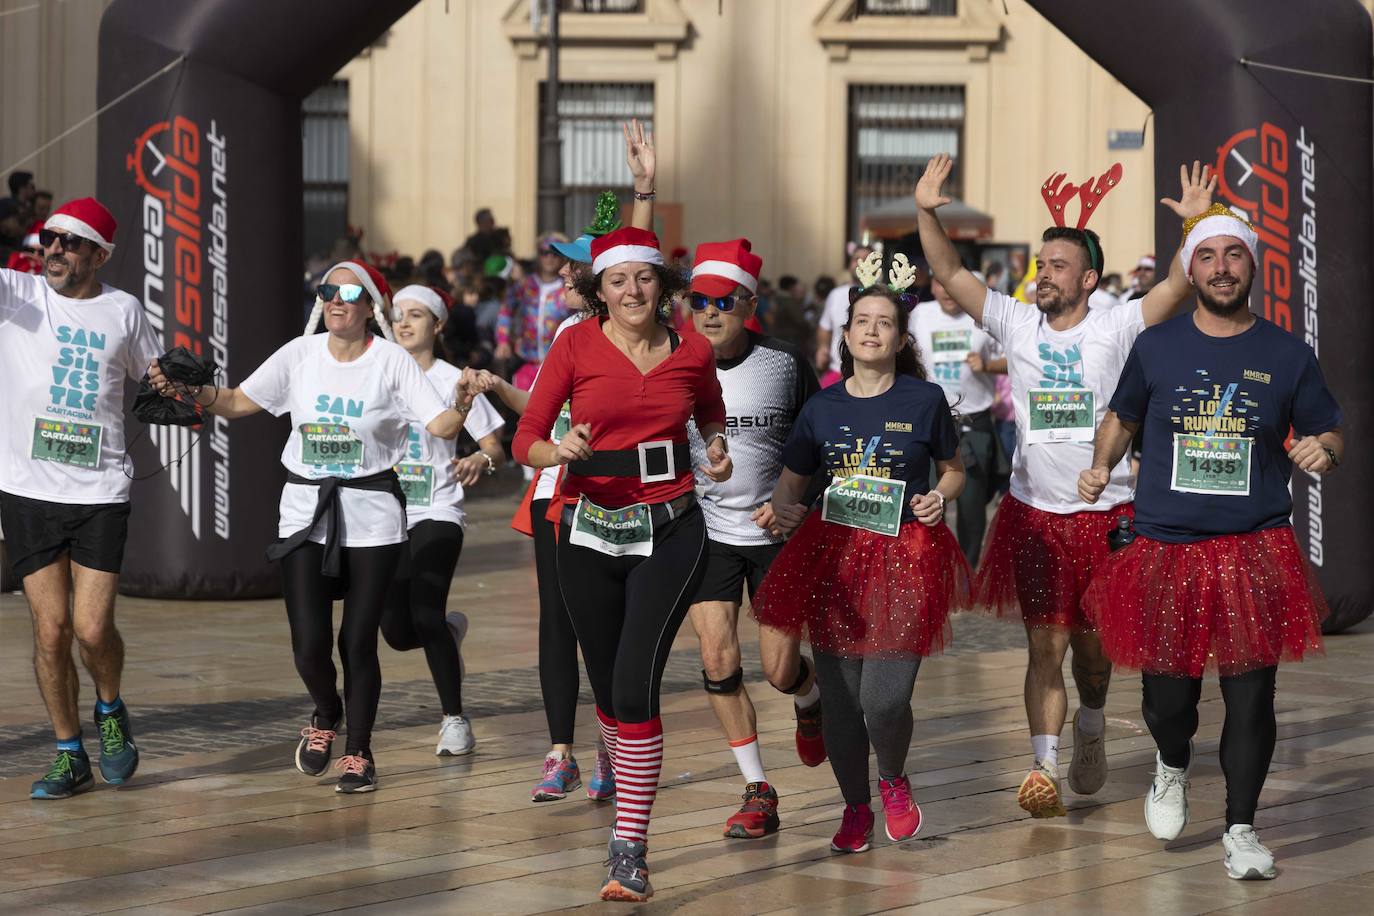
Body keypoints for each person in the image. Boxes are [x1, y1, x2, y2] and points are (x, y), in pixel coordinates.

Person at [914, 153, 1217, 817]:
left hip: (1109, 513)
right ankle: (1041, 767)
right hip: (1033, 514)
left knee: (1094, 654)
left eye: (1055, 266)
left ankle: (1092, 721)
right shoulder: (1016, 322)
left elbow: (1176, 285)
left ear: (1086, 278)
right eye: (1038, 265)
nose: (1040, 275)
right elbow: (949, 272)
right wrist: (926, 210)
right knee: (1044, 643)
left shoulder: (1117, 323)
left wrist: (1197, 223)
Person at [1079, 204, 1342, 880]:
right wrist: (1102, 462)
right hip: (1168, 548)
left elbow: (1328, 428)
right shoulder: (1158, 346)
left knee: (1252, 696)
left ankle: (1241, 827)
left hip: (1255, 545)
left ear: (1252, 265)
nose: (1221, 267)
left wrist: (1323, 450)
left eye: (1234, 255)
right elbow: (1121, 416)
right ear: (1190, 266)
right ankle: (1170, 763)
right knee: (1170, 703)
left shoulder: (1287, 353)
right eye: (1207, 255)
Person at [151, 261, 476, 794]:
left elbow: (439, 423)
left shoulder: (391, 361)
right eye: (327, 291)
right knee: (308, 645)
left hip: (373, 517)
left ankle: (360, 752)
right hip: (305, 514)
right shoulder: (299, 354)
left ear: (371, 305)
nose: (336, 300)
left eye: (349, 293)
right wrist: (190, 392)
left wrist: (461, 399)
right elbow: (235, 402)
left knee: (357, 642)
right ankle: (327, 712)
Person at [512, 225, 731, 902]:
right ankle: (617, 754)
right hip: (585, 527)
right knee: (607, 690)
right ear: (598, 291)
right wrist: (557, 452)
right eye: (617, 280)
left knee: (636, 683)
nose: (631, 291)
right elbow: (526, 438)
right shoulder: (574, 344)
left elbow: (711, 413)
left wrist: (716, 448)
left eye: (643, 278)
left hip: (671, 528)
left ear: (661, 285)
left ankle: (630, 847)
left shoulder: (692, 349)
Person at [751, 257, 969, 853]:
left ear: (901, 339)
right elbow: (791, 487)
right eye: (861, 322)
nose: (872, 331)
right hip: (833, 560)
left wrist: (935, 498)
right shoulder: (822, 408)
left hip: (905, 554)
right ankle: (855, 809)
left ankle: (894, 777)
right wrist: (783, 511)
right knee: (845, 703)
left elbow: (953, 471)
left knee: (885, 697)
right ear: (845, 335)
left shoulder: (925, 399)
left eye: (884, 323)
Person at [1, 198, 160, 799]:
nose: (56, 250)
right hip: (26, 490)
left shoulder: (124, 310)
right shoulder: (14, 294)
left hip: (100, 490)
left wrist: (185, 390)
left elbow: (155, 377)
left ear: (99, 254)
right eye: (49, 238)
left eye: (71, 242)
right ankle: (69, 754)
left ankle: (111, 710)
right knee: (50, 631)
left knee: (92, 630)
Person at [682, 238, 822, 840]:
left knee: (777, 669)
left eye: (724, 301)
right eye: (698, 300)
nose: (711, 312)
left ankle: (808, 695)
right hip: (703, 532)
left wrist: (792, 502)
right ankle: (757, 789)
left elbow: (823, 444)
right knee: (717, 658)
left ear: (749, 302)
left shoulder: (785, 363)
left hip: (774, 536)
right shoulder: (674, 364)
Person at [382, 284, 506, 756]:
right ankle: (449, 635)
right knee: (395, 632)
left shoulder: (456, 379)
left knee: (424, 611)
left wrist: (480, 459)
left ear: (438, 324)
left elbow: (495, 445)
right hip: (383, 511)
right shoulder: (378, 372)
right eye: (399, 315)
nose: (405, 323)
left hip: (437, 508)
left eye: (417, 315)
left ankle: (454, 719)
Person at [911, 277, 1003, 564]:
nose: (947, 291)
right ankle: (934, 567)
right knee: (926, 501)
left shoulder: (982, 317)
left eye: (951, 284)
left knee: (972, 505)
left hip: (972, 423)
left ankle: (968, 570)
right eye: (938, 284)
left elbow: (1015, 357)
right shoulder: (918, 315)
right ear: (933, 287)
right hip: (928, 422)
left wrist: (987, 365)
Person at [496, 231, 573, 390]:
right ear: (538, 255)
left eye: (555, 253)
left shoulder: (568, 289)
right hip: (525, 364)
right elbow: (506, 311)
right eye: (544, 253)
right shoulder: (525, 284)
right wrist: (503, 340)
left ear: (563, 257)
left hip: (557, 367)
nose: (549, 258)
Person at [815, 243, 873, 386]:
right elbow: (825, 327)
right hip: (837, 372)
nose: (860, 264)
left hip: (872, 375)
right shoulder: (836, 295)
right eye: (856, 259)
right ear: (850, 264)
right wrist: (822, 347)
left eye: (866, 260)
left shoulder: (883, 296)